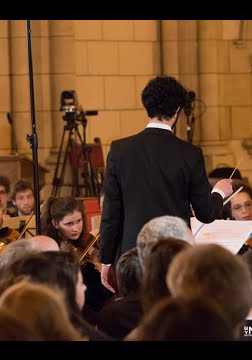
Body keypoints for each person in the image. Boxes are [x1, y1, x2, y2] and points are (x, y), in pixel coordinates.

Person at [100, 76, 233, 292]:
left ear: (147, 106)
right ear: (178, 110)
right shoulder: (189, 154)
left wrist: (106, 260)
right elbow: (206, 214)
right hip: (174, 257)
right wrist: (218, 192)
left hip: (132, 256)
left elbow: (111, 213)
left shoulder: (119, 150)